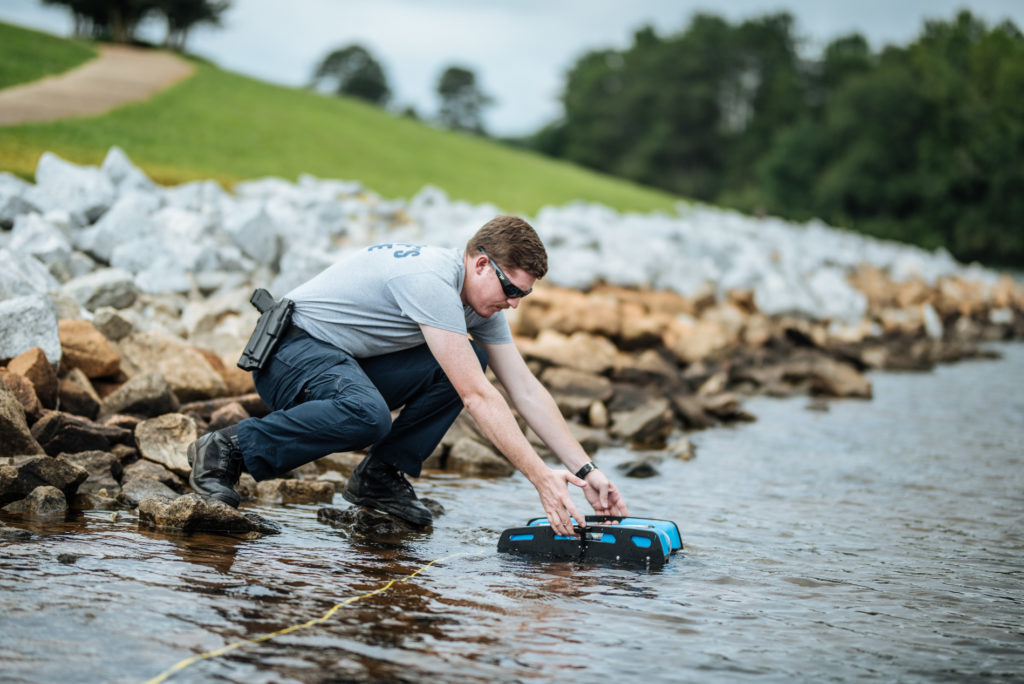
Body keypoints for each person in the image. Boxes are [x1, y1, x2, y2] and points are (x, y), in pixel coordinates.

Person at [187, 215, 628, 535]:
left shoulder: (479, 304)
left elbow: (526, 390)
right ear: (479, 264)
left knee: (471, 360)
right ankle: (228, 448)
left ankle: (379, 477)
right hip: (287, 354)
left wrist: (586, 470)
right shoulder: (430, 281)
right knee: (369, 413)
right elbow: (477, 398)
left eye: (524, 295)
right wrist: (540, 478)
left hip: (343, 363)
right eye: (511, 290)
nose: (514, 304)